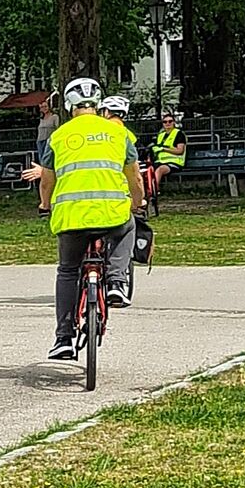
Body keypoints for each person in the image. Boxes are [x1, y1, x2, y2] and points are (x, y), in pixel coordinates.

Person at [39, 78, 144, 361]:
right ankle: (118, 283)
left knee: (68, 271)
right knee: (127, 228)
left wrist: (45, 204)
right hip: (112, 213)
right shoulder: (118, 134)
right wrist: (138, 201)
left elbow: (47, 181)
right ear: (98, 105)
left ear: (70, 105)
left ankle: (63, 338)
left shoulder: (58, 137)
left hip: (71, 217)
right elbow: (133, 176)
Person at [152, 113, 186, 188]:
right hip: (160, 162)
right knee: (146, 170)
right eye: (165, 122)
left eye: (170, 121)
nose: (167, 123)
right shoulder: (160, 135)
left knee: (160, 170)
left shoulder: (179, 134)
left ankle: (154, 192)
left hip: (174, 163)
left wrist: (164, 149)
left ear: (174, 122)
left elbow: (180, 151)